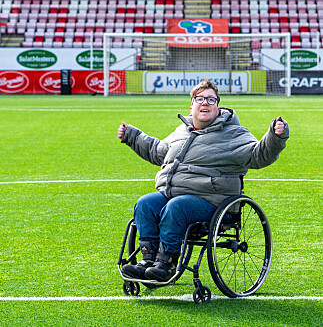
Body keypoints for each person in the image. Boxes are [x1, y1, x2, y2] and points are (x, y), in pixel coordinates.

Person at [117, 80, 289, 282]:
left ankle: (167, 262)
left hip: (212, 201)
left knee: (176, 207)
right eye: (200, 99)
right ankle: (147, 260)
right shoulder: (181, 132)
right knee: (145, 203)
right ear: (192, 106)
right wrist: (133, 136)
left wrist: (276, 137)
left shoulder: (234, 134)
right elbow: (157, 151)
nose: (205, 103)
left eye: (210, 99)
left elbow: (258, 155)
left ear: (217, 106)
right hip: (173, 194)